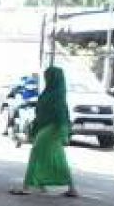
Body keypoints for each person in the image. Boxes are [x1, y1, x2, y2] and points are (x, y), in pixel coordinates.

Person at [12, 66, 78, 198]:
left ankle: (27, 186)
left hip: (54, 127)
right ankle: (69, 188)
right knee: (58, 157)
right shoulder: (51, 92)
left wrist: (63, 131)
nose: (46, 79)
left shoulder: (57, 94)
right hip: (51, 127)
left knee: (36, 152)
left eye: (48, 76)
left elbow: (60, 115)